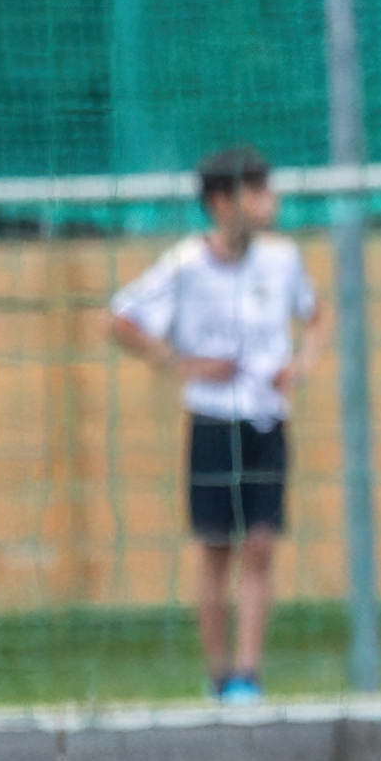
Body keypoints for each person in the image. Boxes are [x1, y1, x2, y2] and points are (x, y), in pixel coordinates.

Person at [108, 146, 323, 705]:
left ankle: (249, 673)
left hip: (266, 419)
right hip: (212, 420)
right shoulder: (185, 266)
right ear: (223, 203)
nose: (270, 201)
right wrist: (182, 363)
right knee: (215, 549)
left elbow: (315, 314)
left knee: (261, 544)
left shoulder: (282, 259)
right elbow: (122, 319)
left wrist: (302, 364)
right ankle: (217, 672)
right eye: (258, 192)